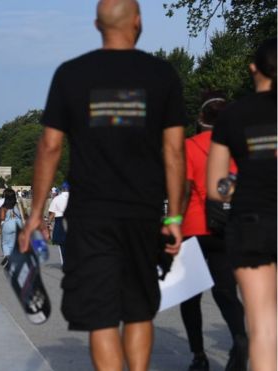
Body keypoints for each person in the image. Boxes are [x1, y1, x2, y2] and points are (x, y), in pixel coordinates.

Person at [19, 1, 186, 370]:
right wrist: (174, 217)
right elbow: (174, 153)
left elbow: (49, 146)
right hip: (143, 211)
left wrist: (35, 215)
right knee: (139, 308)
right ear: (138, 21)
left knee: (102, 314)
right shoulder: (162, 75)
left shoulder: (71, 75)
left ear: (97, 24)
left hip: (91, 213)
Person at [207, 38, 276, 371]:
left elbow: (216, 188)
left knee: (262, 323)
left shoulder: (232, 115)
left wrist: (236, 183)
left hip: (252, 224)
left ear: (254, 68)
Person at [178, 94, 248, 371]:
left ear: (201, 120)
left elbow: (183, 190)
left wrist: (173, 219)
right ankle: (239, 337)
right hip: (227, 228)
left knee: (191, 296)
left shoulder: (189, 146)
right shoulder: (237, 149)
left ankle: (199, 356)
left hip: (193, 227)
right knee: (226, 291)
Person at [0, 188, 22, 268]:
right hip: (18, 225)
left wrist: (1, 226)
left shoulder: (4, 207)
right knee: (13, 242)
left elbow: (2, 218)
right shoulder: (18, 205)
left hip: (8, 225)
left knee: (5, 243)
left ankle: (7, 255)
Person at [47, 182, 70, 256]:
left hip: (60, 221)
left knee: (61, 243)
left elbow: (52, 213)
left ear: (62, 189)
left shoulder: (57, 198)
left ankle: (64, 262)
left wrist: (49, 223)